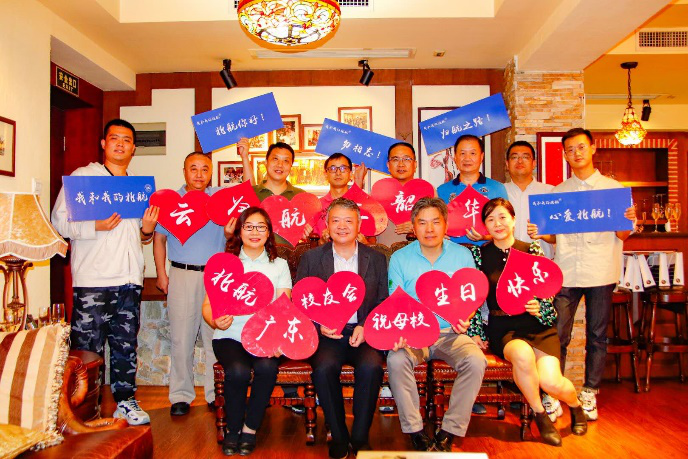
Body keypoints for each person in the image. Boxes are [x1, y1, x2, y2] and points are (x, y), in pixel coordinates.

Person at [51, 118, 159, 425]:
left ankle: (125, 402)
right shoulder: (84, 177)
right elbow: (59, 222)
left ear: (134, 148)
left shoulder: (137, 188)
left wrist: (148, 229)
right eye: (114, 139)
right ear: (103, 143)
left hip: (129, 280)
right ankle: (84, 409)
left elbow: (139, 237)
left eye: (127, 140)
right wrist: (94, 225)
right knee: (88, 348)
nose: (120, 144)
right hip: (94, 281)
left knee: (126, 346)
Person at [527, 128, 636, 421]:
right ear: (564, 155)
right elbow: (553, 237)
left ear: (593, 148)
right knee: (557, 334)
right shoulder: (558, 192)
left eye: (581, 147)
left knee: (597, 335)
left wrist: (628, 220)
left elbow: (623, 234)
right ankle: (552, 392)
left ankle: (589, 392)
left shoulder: (613, 190)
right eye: (570, 150)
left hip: (601, 270)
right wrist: (540, 232)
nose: (576, 153)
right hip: (565, 271)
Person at [470, 197, 587, 446]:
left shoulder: (530, 249)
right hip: (504, 328)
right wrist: (475, 331)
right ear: (485, 226)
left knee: (551, 382)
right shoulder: (479, 255)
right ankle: (540, 415)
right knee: (522, 355)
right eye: (490, 219)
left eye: (503, 217)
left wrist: (539, 306)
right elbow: (475, 299)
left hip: (537, 325)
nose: (497, 224)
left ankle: (576, 406)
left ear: (513, 220)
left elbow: (546, 290)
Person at [153, 140, 252, 417]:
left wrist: (245, 156)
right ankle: (181, 395)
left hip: (217, 276)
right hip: (182, 273)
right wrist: (161, 273)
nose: (199, 174)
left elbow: (248, 189)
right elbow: (158, 239)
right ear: (184, 171)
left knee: (215, 338)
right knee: (181, 338)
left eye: (205, 169)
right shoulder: (170, 201)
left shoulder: (219, 198)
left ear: (211, 173)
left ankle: (214, 393)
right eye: (193, 168)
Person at [387, 197, 487, 452]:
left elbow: (472, 296)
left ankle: (449, 430)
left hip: (451, 332)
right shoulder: (399, 258)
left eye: (435, 222)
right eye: (422, 223)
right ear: (413, 226)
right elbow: (395, 302)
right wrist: (401, 332)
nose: (429, 229)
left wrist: (466, 318)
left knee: (475, 361)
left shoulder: (462, 255)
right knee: (396, 359)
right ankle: (415, 430)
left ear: (446, 225)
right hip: (415, 333)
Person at [296, 198, 388, 458]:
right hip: (327, 335)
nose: (342, 226)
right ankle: (338, 436)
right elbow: (301, 301)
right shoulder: (311, 258)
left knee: (371, 367)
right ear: (327, 225)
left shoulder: (376, 258)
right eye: (336, 220)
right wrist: (318, 325)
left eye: (349, 221)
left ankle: (359, 437)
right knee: (324, 368)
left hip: (363, 333)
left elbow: (383, 300)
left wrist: (366, 326)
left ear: (359, 225)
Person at [202, 207, 292, 456]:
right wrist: (215, 321)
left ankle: (250, 427)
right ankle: (233, 430)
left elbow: (283, 308)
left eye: (261, 227)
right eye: (249, 226)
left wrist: (277, 339)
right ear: (239, 232)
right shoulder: (223, 264)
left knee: (267, 368)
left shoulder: (279, 265)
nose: (255, 232)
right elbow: (208, 306)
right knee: (238, 371)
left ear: (269, 232)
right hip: (230, 335)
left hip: (265, 336)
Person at [437, 134, 508, 245]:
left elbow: (507, 229)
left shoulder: (497, 188)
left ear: (481, 156)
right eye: (462, 153)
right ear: (455, 157)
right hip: (453, 251)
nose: (467, 158)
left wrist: (485, 237)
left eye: (473, 153)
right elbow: (436, 224)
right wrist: (439, 234)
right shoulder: (442, 191)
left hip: (487, 250)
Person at [251, 142, 313, 246]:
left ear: (291, 166)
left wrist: (307, 233)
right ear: (266, 162)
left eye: (286, 161)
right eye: (275, 159)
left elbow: (306, 233)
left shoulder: (301, 196)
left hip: (290, 255)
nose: (280, 165)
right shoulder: (251, 193)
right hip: (255, 255)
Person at [503, 141, 555, 259]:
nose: (520, 161)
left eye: (525, 157)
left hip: (542, 261)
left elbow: (559, 237)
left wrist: (543, 234)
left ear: (534, 163)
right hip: (507, 261)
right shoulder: (500, 191)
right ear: (507, 164)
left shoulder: (550, 192)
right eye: (514, 157)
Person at [313, 152, 367, 243]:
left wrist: (364, 243)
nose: (338, 173)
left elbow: (372, 242)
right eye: (333, 168)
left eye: (343, 168)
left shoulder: (363, 204)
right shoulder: (316, 206)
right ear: (325, 174)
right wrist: (322, 241)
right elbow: (312, 243)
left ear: (350, 173)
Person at [376, 142, 420, 246]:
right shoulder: (377, 193)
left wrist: (418, 227)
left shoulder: (427, 190)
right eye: (395, 159)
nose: (401, 164)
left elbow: (437, 227)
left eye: (407, 159)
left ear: (415, 164)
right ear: (388, 165)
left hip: (420, 252)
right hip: (385, 253)